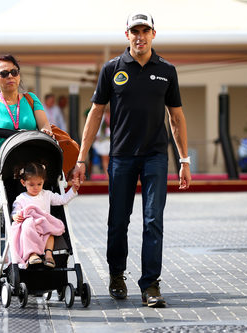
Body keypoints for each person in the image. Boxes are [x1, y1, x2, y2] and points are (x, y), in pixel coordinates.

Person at [73, 12, 191, 308]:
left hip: (155, 156)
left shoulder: (167, 70)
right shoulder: (112, 68)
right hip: (122, 156)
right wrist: (81, 157)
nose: (140, 36)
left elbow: (176, 117)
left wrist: (184, 160)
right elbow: (96, 113)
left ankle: (150, 284)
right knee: (118, 221)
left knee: (153, 220)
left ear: (154, 34)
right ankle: (116, 275)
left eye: (145, 30)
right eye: (135, 31)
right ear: (127, 34)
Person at [0, 54, 53, 278]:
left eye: (14, 72)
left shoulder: (30, 100)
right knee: (1, 221)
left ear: (19, 75)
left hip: (31, 168)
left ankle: (32, 258)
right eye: (4, 73)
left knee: (33, 215)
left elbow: (44, 125)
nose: (10, 77)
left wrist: (46, 131)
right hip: (3, 167)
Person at [10, 162, 79, 268]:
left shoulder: (47, 194)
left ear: (43, 182)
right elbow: (16, 211)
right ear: (23, 183)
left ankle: (48, 255)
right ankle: (32, 254)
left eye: (39, 184)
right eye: (31, 185)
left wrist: (73, 189)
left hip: (44, 224)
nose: (36, 188)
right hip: (30, 227)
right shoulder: (21, 198)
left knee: (50, 233)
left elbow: (62, 200)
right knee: (27, 226)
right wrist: (15, 216)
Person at [91, 107, 111, 178]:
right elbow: (98, 130)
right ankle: (107, 175)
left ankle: (109, 174)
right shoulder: (102, 118)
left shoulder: (114, 118)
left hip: (111, 142)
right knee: (105, 158)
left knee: (110, 159)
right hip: (102, 141)